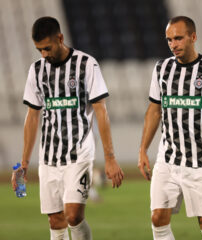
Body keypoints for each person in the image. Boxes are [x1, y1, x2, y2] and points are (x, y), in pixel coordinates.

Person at [12, 16, 124, 240]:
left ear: (60, 38)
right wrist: (23, 163)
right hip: (49, 159)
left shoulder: (86, 64)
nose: (44, 54)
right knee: (55, 221)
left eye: (47, 48)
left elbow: (101, 111)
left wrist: (110, 157)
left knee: (72, 215)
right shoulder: (36, 71)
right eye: (39, 50)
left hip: (79, 155)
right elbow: (32, 116)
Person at [138, 16, 202, 240]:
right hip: (168, 159)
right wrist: (142, 150)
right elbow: (154, 111)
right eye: (169, 40)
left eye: (178, 38)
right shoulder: (162, 69)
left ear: (193, 37)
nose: (173, 44)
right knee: (158, 218)